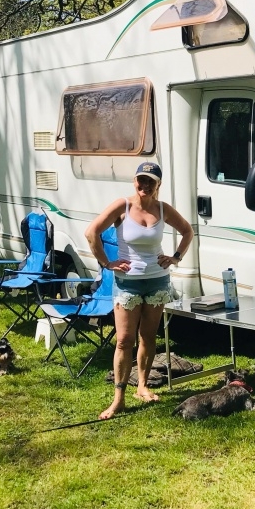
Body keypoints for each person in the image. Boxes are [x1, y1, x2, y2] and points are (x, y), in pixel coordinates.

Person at [85, 161, 193, 420]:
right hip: (128, 283)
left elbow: (187, 231)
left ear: (158, 185)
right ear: (134, 181)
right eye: (141, 180)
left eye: (150, 181)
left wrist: (175, 257)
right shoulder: (122, 206)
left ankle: (142, 386)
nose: (144, 185)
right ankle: (118, 398)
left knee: (148, 337)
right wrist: (107, 263)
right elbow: (91, 233)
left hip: (157, 281)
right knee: (124, 340)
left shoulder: (163, 209)